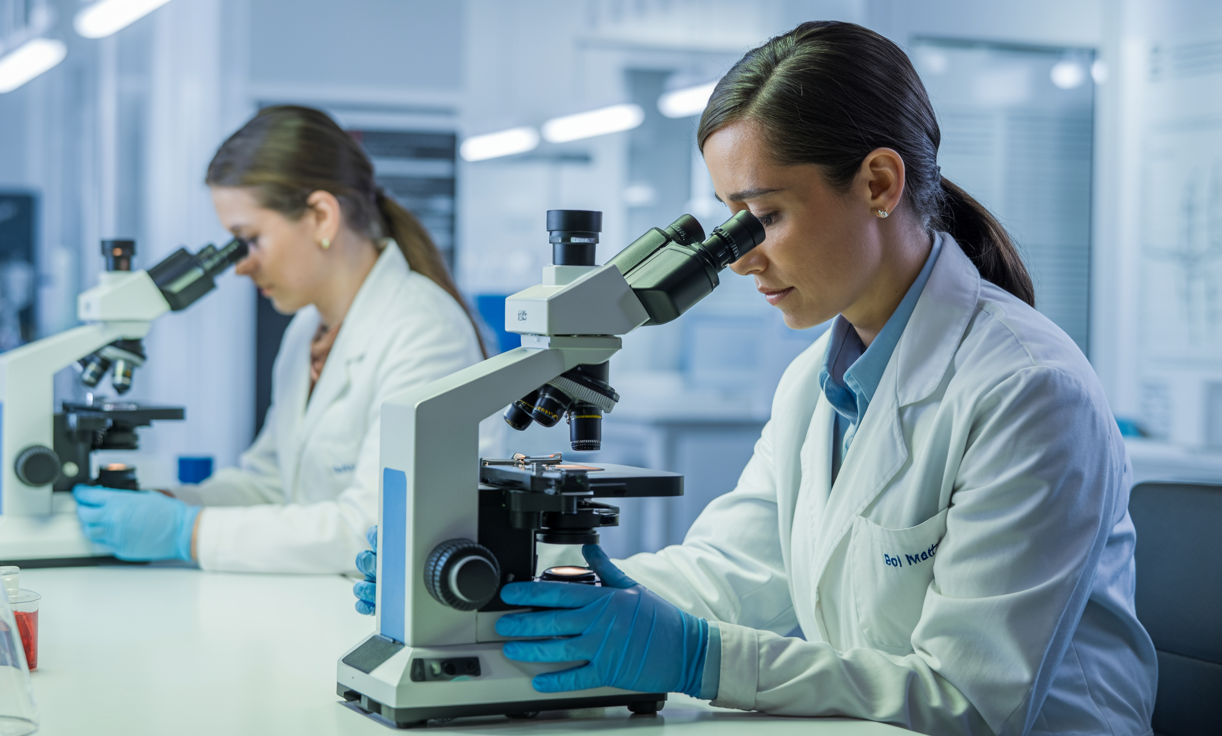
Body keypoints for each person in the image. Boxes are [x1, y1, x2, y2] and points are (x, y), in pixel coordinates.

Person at [356, 22, 1156, 735]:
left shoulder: (1027, 390)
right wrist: (528, 594)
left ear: (879, 184)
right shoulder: (817, 379)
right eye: (729, 219)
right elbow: (732, 572)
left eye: (764, 215)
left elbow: (970, 700)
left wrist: (703, 660)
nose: (740, 256)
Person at [73, 105, 486, 574]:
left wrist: (187, 531)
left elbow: (375, 530)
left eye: (248, 240)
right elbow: (271, 484)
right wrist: (171, 503)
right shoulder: (307, 333)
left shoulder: (423, 330)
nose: (241, 265)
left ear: (321, 216)